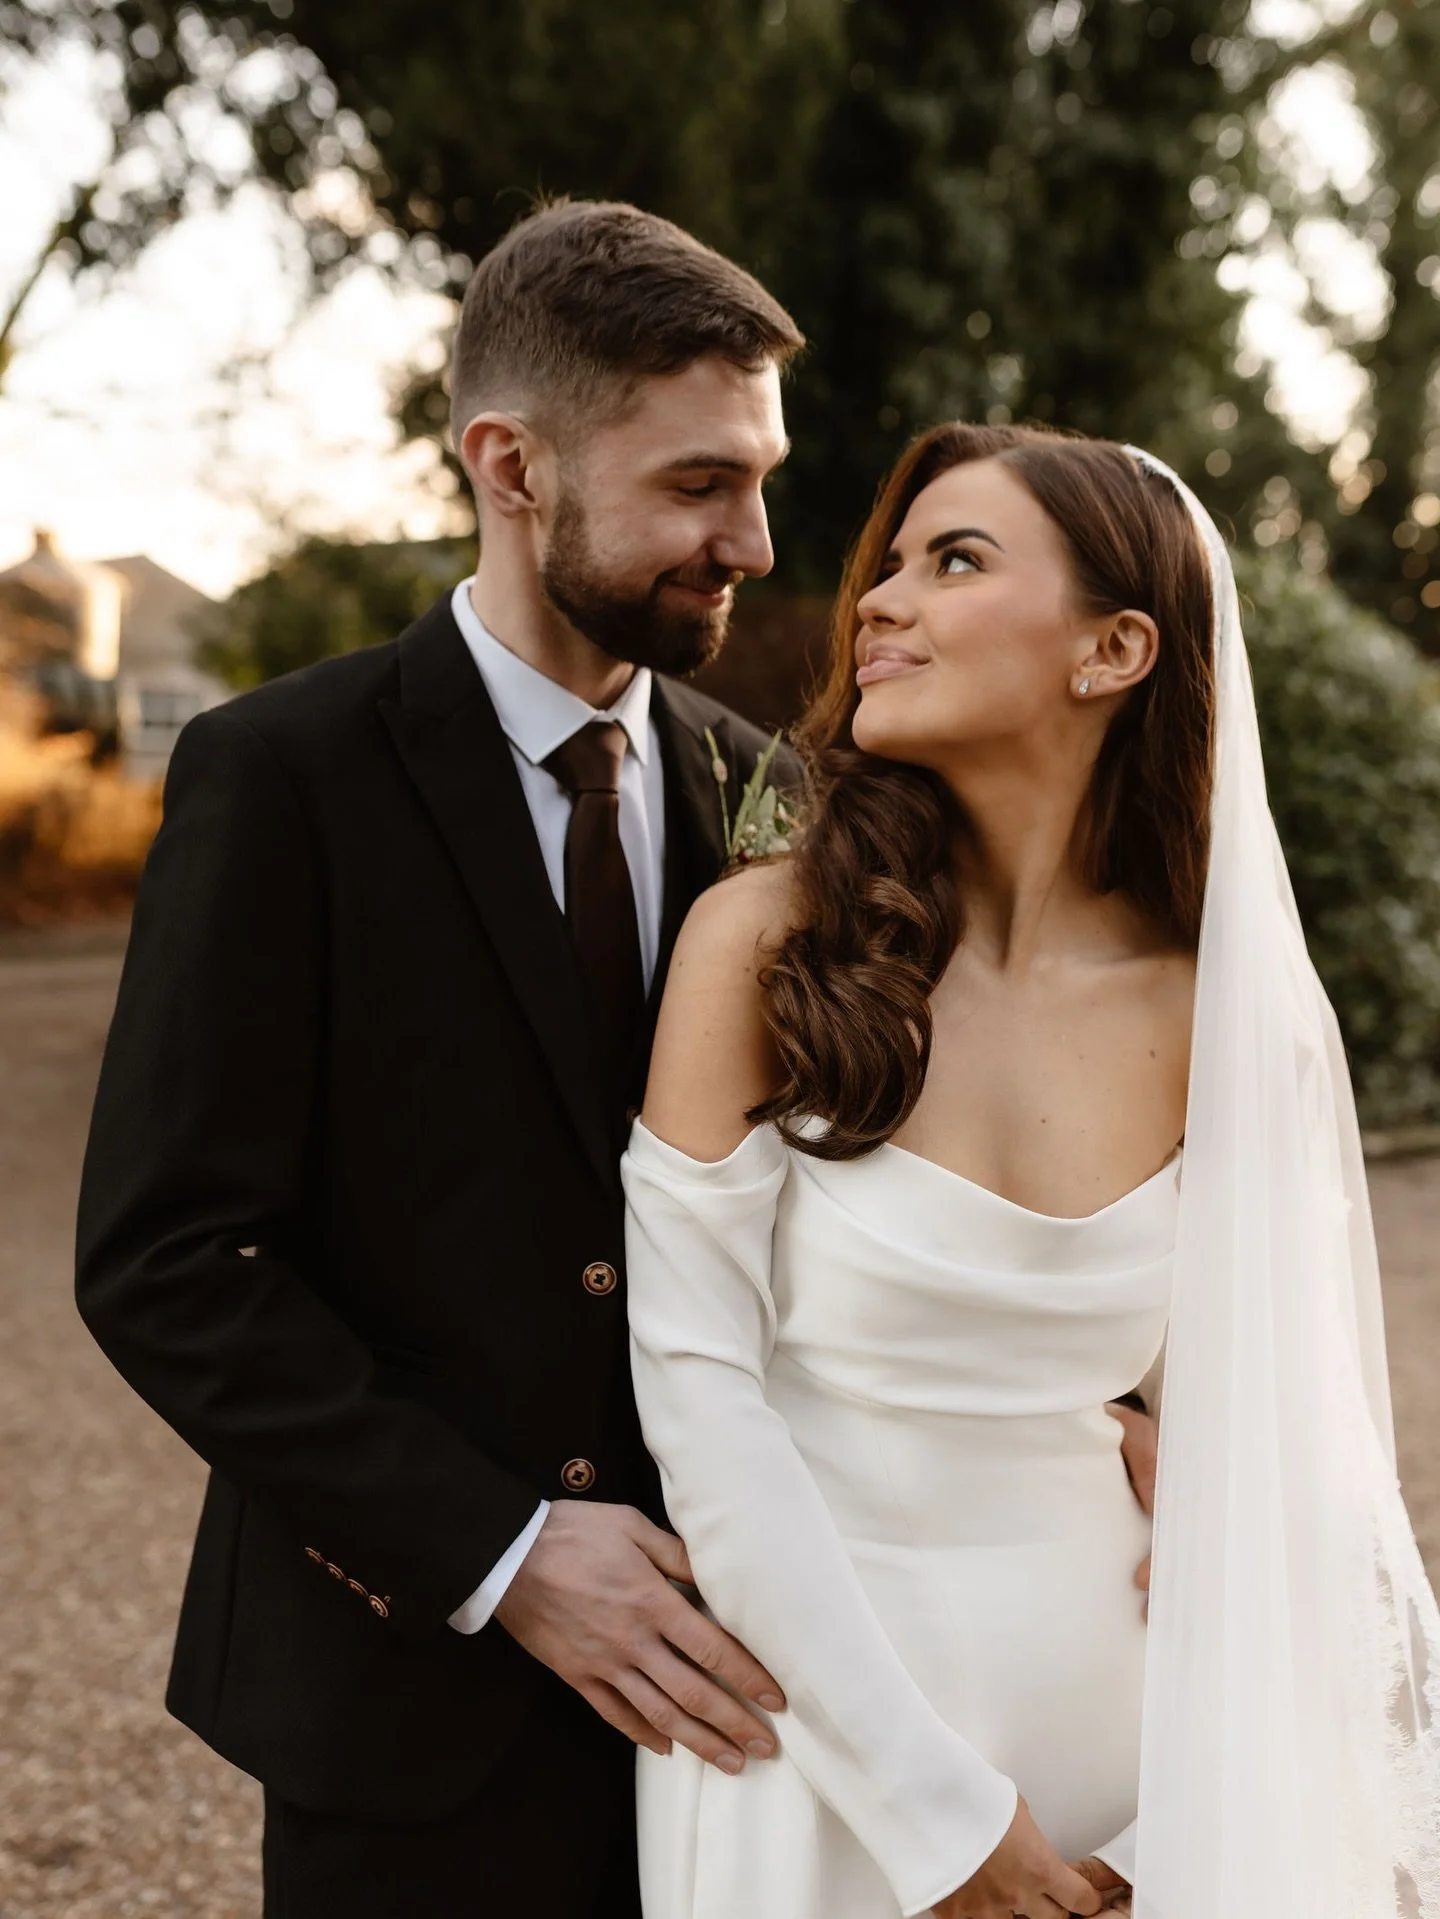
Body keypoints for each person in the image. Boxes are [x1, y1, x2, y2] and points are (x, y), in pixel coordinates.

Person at [75, 199, 810, 1919]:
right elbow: (168, 1258)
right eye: (702, 483)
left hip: (746, 1698)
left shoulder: (769, 790)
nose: (756, 541)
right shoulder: (283, 775)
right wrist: (501, 1553)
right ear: (512, 462)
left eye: (762, 478)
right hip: (405, 1703)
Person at [622, 424, 1440, 1918]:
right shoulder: (761, 945)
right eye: (893, 564)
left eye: (958, 560)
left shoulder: (1219, 1008)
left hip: (1129, 1745)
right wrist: (936, 1820)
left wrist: (1185, 1822)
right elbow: (697, 1393)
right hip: (806, 1737)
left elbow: (1285, 1449)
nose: (877, 600)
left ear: (1114, 649)